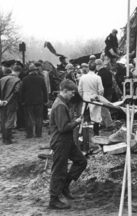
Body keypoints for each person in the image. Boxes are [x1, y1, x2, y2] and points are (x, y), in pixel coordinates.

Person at [48, 79, 87, 210]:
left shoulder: (64, 103)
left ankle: (64, 185)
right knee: (59, 170)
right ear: (64, 90)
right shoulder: (60, 105)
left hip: (67, 141)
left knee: (81, 161)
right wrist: (76, 122)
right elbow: (63, 127)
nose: (73, 95)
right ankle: (53, 199)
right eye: (72, 92)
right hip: (60, 141)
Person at [78, 63, 114, 134]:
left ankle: (82, 131)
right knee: (96, 116)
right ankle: (95, 133)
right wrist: (99, 96)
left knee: (85, 114)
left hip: (86, 97)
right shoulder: (97, 77)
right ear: (95, 68)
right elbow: (101, 90)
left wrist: (83, 96)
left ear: (88, 68)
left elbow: (80, 89)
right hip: (95, 97)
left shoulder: (83, 77)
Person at [0, 64, 22, 145]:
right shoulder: (18, 80)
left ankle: (4, 139)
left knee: (3, 121)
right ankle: (7, 140)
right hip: (11, 104)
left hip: (1, 103)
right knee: (10, 121)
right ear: (18, 72)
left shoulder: (2, 79)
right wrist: (8, 101)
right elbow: (16, 92)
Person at [20, 64, 48, 138]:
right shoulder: (41, 79)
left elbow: (22, 91)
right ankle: (38, 134)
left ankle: (30, 134)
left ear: (29, 72)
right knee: (39, 118)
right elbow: (45, 91)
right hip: (39, 101)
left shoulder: (25, 79)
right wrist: (45, 100)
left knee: (29, 118)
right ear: (36, 71)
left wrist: (22, 100)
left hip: (28, 101)